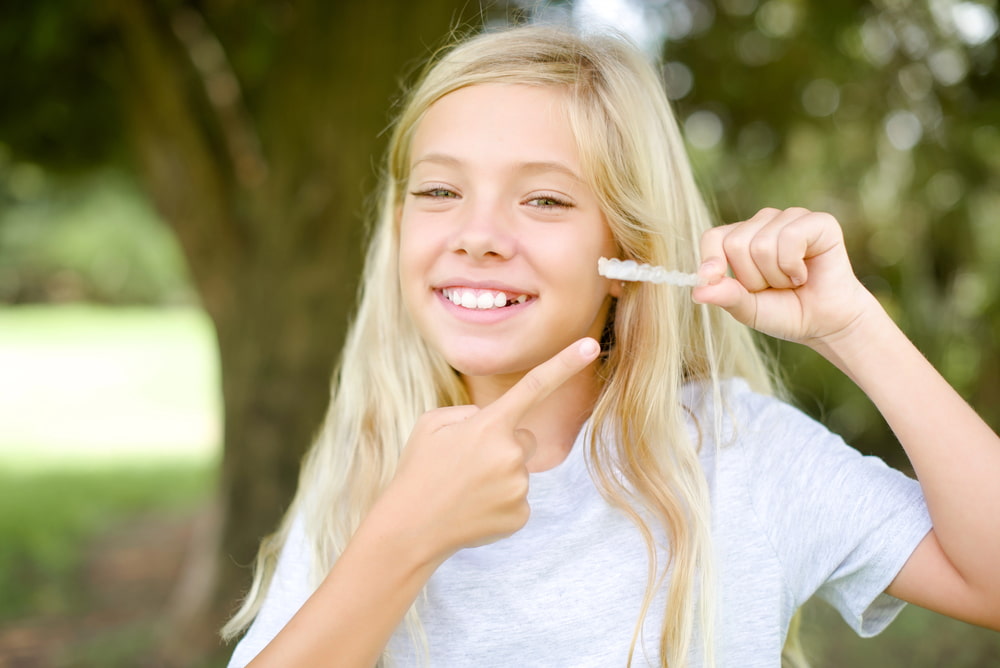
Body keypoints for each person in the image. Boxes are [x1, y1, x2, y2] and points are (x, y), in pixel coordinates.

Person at [222, 24, 1000, 667]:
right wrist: (403, 537)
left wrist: (853, 328)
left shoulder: (738, 457)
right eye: (439, 190)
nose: (478, 236)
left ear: (628, 254)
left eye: (546, 199)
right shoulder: (367, 473)